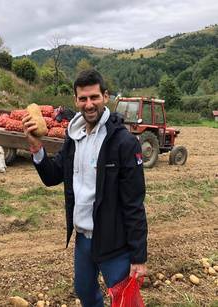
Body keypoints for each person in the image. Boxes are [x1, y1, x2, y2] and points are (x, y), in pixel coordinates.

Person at [22, 69, 148, 307]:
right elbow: (52, 176)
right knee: (85, 292)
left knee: (124, 300)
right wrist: (36, 147)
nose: (89, 104)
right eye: (83, 98)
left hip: (114, 241)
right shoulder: (74, 136)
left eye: (94, 97)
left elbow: (134, 203)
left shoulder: (124, 143)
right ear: (75, 100)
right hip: (83, 239)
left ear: (105, 96)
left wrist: (139, 257)